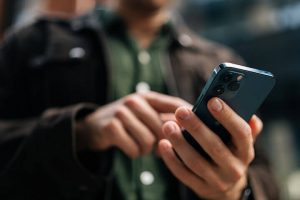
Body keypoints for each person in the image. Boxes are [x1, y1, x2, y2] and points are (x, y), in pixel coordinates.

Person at [0, 0, 279, 199]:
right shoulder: (32, 44)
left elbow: (268, 182)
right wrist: (82, 131)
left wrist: (236, 190)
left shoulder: (216, 61)